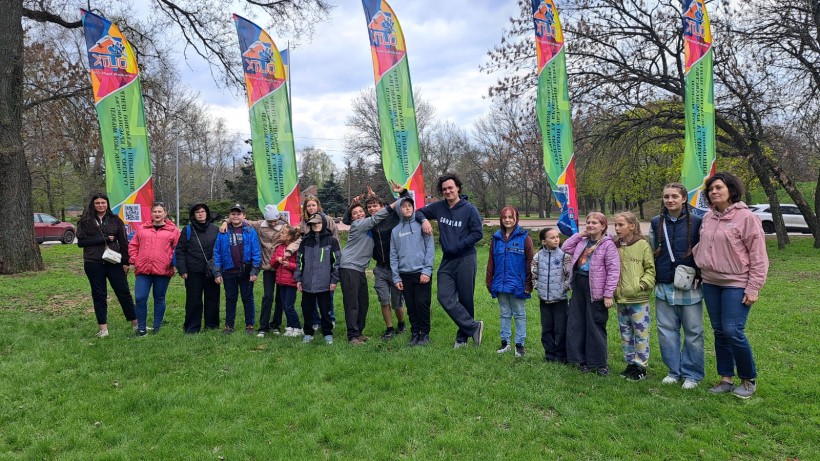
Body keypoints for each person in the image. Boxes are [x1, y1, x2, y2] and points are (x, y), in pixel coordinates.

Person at [693, 172, 769, 399]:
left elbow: (759, 257)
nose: (713, 192)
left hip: (737, 283)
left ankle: (748, 379)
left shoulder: (746, 218)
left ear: (731, 190)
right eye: (710, 189)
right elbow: (705, 246)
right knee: (719, 332)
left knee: (732, 330)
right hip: (710, 282)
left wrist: (753, 287)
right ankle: (726, 378)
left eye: (718, 188)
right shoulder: (708, 217)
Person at [416, 173, 485, 348]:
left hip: (465, 258)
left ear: (458, 188)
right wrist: (424, 221)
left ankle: (462, 337)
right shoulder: (439, 207)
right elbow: (419, 212)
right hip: (447, 261)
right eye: (444, 189)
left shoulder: (469, 209)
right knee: (444, 296)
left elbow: (478, 233)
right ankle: (473, 327)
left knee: (465, 298)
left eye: (450, 188)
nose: (447, 191)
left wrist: (459, 246)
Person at [648, 182, 704, 390]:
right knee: (666, 330)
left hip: (690, 286)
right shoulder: (655, 223)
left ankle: (693, 374)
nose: (670, 200)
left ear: (683, 199)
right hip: (664, 284)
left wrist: (701, 274)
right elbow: (651, 251)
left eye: (674, 196)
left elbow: (703, 253)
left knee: (693, 331)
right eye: (666, 197)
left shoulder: (698, 222)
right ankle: (674, 370)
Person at [339, 182, 406, 344]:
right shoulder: (359, 224)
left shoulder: (369, 223)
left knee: (363, 302)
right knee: (352, 303)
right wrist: (392, 203)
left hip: (360, 269)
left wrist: (376, 200)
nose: (359, 214)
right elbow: (351, 219)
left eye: (362, 211)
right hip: (349, 267)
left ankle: (359, 332)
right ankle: (352, 335)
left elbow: (377, 214)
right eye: (355, 213)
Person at [221, 204, 300, 338]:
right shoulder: (259, 225)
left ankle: (276, 324)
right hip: (268, 266)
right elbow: (241, 219)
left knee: (280, 298)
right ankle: (263, 326)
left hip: (283, 266)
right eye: (270, 221)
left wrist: (289, 251)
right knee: (267, 296)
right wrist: (225, 221)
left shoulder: (285, 226)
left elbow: (297, 236)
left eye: (275, 221)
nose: (273, 223)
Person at [562, 212, 620, 376]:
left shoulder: (608, 245)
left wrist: (608, 294)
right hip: (580, 284)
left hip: (596, 289)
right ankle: (581, 360)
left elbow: (613, 271)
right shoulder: (582, 242)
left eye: (595, 223)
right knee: (577, 322)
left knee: (595, 324)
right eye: (588, 222)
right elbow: (565, 248)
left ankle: (599, 363)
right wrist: (580, 234)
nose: (590, 225)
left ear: (603, 226)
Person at [76, 193, 137, 337]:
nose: (100, 205)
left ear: (107, 204)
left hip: (113, 262)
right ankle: (103, 329)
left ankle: (136, 325)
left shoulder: (115, 220)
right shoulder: (85, 221)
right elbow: (81, 242)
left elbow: (123, 242)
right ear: (93, 204)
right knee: (99, 294)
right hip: (93, 262)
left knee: (123, 292)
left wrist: (126, 262)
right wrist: (101, 238)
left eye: (103, 202)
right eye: (97, 203)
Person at [612, 211, 656, 381]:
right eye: (615, 225)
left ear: (632, 226)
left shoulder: (642, 244)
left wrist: (641, 285)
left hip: (638, 299)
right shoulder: (615, 245)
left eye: (620, 225)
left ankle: (641, 366)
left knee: (641, 332)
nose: (617, 228)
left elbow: (650, 269)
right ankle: (630, 363)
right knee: (626, 333)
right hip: (620, 298)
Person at [486, 206, 534, 357]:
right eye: (504, 217)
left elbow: (530, 262)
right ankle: (505, 342)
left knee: (519, 314)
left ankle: (519, 345)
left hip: (518, 284)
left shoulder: (524, 238)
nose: (507, 220)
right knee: (504, 314)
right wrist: (489, 280)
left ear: (516, 219)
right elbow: (491, 261)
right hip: (500, 283)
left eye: (510, 217)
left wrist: (528, 283)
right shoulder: (496, 238)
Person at [128, 202, 179, 336]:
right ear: (151, 213)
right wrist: (135, 259)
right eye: (155, 211)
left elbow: (178, 249)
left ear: (165, 213)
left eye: (160, 211)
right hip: (143, 269)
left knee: (159, 298)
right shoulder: (142, 228)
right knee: (140, 298)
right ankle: (141, 328)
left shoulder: (173, 230)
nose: (157, 214)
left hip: (163, 270)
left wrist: (172, 261)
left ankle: (157, 327)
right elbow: (133, 245)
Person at [390, 196, 435, 346]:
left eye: (410, 205)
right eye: (404, 206)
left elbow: (430, 248)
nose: (407, 208)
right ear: (399, 209)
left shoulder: (422, 225)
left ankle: (425, 333)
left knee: (422, 303)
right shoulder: (395, 231)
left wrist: (427, 271)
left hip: (421, 273)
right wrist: (396, 277)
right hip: (404, 274)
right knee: (411, 305)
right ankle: (415, 332)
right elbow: (393, 255)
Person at [213, 203, 262, 335]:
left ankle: (250, 325)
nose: (235, 216)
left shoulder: (250, 231)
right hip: (228, 271)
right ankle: (229, 325)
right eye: (233, 214)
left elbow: (256, 252)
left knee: (247, 298)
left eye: (238, 214)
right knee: (230, 298)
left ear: (244, 216)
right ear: (229, 216)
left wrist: (255, 270)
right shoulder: (223, 231)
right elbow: (216, 252)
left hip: (246, 271)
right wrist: (217, 272)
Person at [365, 191, 406, 340]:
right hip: (380, 268)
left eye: (375, 205)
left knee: (397, 303)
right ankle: (389, 328)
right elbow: (349, 219)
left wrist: (402, 191)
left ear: (383, 206)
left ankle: (401, 323)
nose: (372, 209)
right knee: (383, 299)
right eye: (369, 206)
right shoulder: (370, 221)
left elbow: (405, 201)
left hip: (395, 267)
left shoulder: (393, 217)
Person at [295, 213, 341, 345]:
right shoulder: (305, 242)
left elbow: (336, 262)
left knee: (326, 309)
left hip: (325, 283)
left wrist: (333, 280)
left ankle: (327, 333)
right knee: (307, 309)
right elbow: (299, 262)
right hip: (307, 283)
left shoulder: (332, 241)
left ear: (324, 224)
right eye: (313, 224)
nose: (316, 225)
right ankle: (308, 333)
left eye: (318, 223)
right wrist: (298, 279)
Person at [175, 203, 220, 333]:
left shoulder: (215, 229)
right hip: (193, 271)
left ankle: (212, 326)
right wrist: (182, 270)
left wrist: (219, 270)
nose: (200, 214)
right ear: (193, 215)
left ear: (207, 213)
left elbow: (220, 250)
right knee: (193, 300)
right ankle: (192, 328)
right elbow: (180, 250)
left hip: (211, 271)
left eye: (202, 211)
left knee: (212, 299)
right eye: (197, 212)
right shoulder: (187, 230)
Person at [532, 228, 571, 363]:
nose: (556, 239)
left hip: (560, 300)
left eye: (557, 237)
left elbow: (569, 276)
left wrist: (563, 289)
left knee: (560, 329)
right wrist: (538, 287)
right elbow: (534, 274)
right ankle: (549, 354)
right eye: (552, 237)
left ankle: (561, 355)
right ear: (543, 241)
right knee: (547, 328)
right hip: (544, 299)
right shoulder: (538, 257)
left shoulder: (564, 257)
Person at [270, 225, 302, 337]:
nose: (280, 234)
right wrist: (277, 260)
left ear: (289, 237)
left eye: (283, 233)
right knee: (284, 305)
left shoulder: (296, 250)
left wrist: (289, 265)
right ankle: (290, 327)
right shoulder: (280, 247)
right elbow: (272, 263)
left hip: (291, 282)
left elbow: (299, 265)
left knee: (289, 306)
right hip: (280, 282)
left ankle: (298, 327)